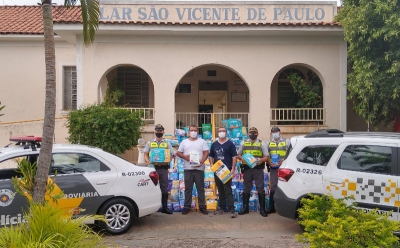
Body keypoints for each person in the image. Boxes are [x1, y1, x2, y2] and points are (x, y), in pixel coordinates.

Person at [176, 124, 209, 215]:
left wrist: (202, 161)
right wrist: (184, 157)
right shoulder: (184, 142)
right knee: (188, 188)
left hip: (199, 168)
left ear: (197, 132)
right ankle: (187, 207)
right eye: (191, 130)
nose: (193, 132)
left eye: (195, 130)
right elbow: (178, 152)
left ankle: (202, 206)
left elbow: (206, 152)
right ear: (189, 132)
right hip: (188, 168)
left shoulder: (202, 141)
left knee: (200, 188)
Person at [237, 127, 269, 217]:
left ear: (257, 134)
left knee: (260, 188)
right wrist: (241, 158)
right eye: (251, 132)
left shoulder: (261, 143)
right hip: (247, 169)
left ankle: (262, 209)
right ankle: (245, 208)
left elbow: (267, 157)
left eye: (255, 133)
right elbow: (238, 154)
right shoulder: (244, 142)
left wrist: (261, 159)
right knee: (246, 188)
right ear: (248, 134)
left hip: (258, 169)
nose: (253, 134)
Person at [144, 124, 175, 215]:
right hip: (152, 168)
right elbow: (145, 153)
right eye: (157, 131)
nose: (159, 132)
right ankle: (149, 209)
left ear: (163, 132)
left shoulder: (167, 143)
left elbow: (172, 154)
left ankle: (164, 207)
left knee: (164, 188)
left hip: (163, 168)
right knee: (151, 187)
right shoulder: (150, 143)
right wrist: (148, 161)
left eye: (160, 131)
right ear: (155, 132)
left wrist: (168, 160)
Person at [208, 126, 238, 218]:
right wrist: (212, 165)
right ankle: (222, 208)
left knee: (227, 190)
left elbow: (234, 157)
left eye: (223, 131)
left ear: (226, 133)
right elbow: (211, 156)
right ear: (218, 133)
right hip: (217, 170)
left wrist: (233, 168)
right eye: (220, 131)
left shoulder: (230, 144)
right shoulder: (214, 144)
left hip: (226, 170)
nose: (221, 132)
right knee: (220, 190)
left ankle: (232, 209)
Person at [267, 126, 290, 214]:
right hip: (273, 168)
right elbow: (266, 155)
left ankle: (286, 208)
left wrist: (284, 160)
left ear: (280, 132)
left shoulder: (287, 142)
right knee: (273, 186)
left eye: (276, 131)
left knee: (286, 186)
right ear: (271, 133)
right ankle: (272, 207)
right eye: (273, 132)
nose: (275, 133)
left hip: (285, 167)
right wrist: (269, 162)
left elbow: (291, 153)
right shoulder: (269, 143)